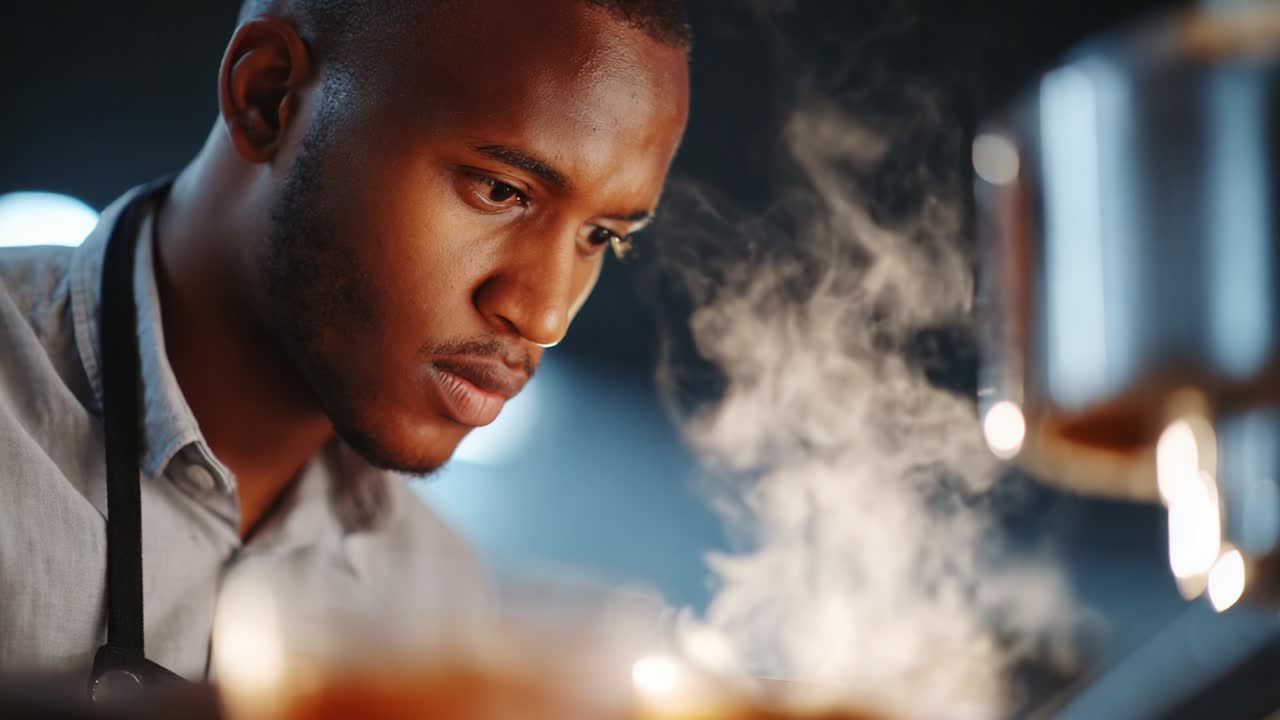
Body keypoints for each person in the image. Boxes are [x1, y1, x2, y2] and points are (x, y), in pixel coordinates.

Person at [0, 0, 690, 685]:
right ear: (267, 99)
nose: (544, 317)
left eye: (602, 236)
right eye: (499, 189)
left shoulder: (431, 597)